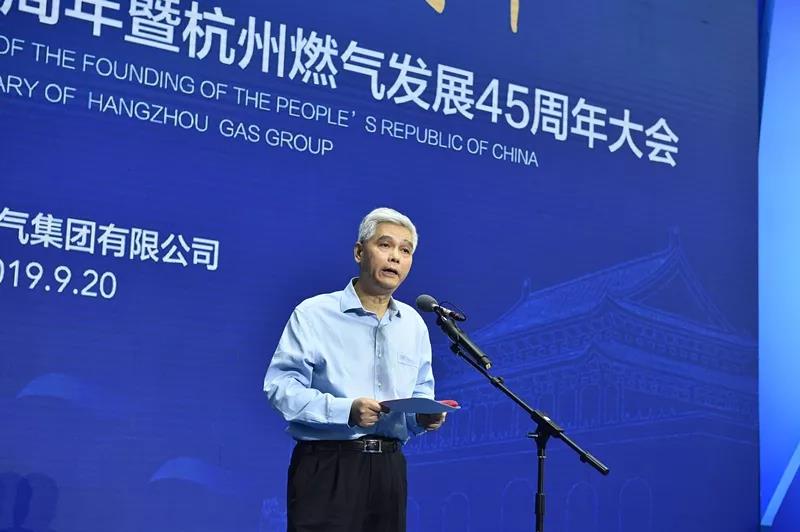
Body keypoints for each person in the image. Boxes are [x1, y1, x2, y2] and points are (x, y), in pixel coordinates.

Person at [264, 207, 446, 532]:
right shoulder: (314, 314)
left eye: (405, 250)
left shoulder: (413, 324)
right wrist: (346, 411)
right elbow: (281, 388)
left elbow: (420, 392)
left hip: (389, 469)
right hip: (328, 465)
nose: (395, 257)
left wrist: (423, 417)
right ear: (359, 252)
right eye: (385, 245)